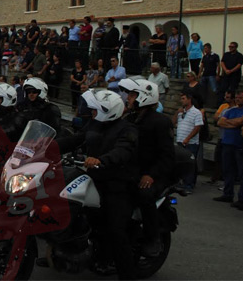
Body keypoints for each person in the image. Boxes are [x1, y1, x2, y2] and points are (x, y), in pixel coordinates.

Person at [56, 89, 138, 280]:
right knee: (67, 206)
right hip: (94, 179)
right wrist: (46, 146)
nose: (91, 113)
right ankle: (64, 251)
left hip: (117, 184)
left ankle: (128, 274)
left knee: (115, 230)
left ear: (107, 110)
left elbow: (123, 151)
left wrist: (101, 160)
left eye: (94, 109)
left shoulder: (127, 130)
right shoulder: (95, 124)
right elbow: (74, 140)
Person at [119, 78, 174, 257]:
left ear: (144, 97)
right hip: (131, 170)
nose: (129, 98)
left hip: (152, 173)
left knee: (144, 195)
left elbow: (167, 155)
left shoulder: (160, 122)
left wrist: (151, 175)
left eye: (133, 95)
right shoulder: (130, 117)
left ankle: (153, 238)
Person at [215, 90, 243, 208]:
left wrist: (231, 123)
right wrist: (233, 124)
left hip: (240, 145)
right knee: (228, 170)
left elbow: (241, 121)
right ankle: (227, 194)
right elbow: (220, 122)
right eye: (237, 97)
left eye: (241, 97)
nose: (238, 99)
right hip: (227, 143)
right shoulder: (231, 110)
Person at [173, 91, 203, 193]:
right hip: (180, 140)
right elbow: (173, 123)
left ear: (189, 99)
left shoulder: (196, 112)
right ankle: (180, 182)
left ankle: (189, 184)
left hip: (191, 143)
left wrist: (188, 138)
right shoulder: (181, 112)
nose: (181, 101)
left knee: (190, 164)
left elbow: (197, 127)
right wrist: (177, 112)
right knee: (180, 163)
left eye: (183, 98)